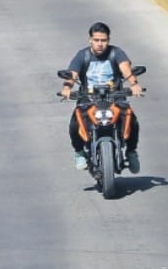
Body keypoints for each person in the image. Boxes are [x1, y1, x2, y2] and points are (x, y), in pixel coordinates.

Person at [59, 21, 143, 173]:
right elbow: (72, 74)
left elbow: (126, 69)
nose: (100, 44)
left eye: (103, 40)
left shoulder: (116, 53)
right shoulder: (82, 55)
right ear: (90, 40)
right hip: (88, 99)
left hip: (114, 97)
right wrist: (67, 88)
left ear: (108, 40)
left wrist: (134, 83)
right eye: (96, 40)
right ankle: (79, 152)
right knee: (74, 125)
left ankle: (131, 152)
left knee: (133, 121)